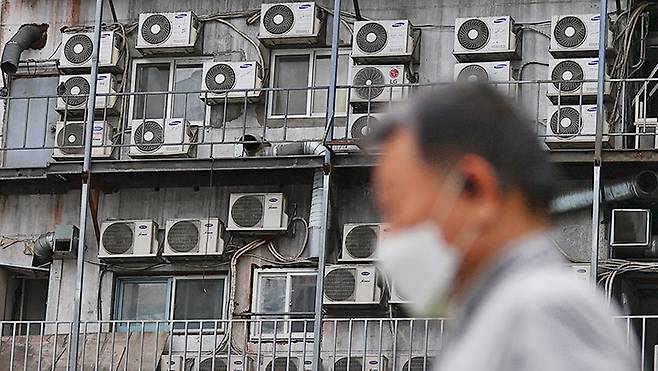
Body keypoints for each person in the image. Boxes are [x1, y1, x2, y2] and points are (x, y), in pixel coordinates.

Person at [371, 83, 638, 371]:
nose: (390, 232)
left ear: (477, 190)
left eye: (394, 204)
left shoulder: (544, 311)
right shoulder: (497, 314)